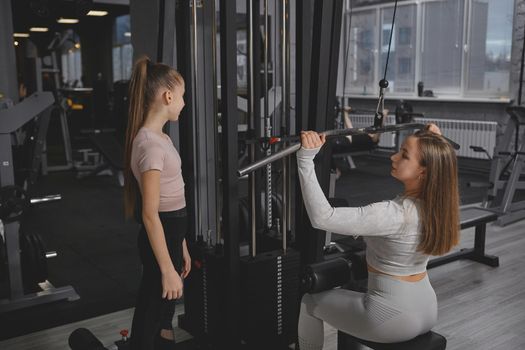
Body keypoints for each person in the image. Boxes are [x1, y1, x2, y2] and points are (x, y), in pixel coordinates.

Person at [296, 124, 459, 349]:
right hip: (427, 308)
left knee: (309, 301)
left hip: (394, 318)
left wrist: (305, 159)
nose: (393, 157)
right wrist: (434, 141)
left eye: (404, 155)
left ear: (423, 171)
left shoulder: (392, 214)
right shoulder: (440, 207)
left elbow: (322, 217)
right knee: (351, 299)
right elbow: (442, 164)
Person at [123, 56, 191, 350]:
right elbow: (150, 214)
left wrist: (182, 247)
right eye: (182, 96)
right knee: (152, 309)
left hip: (172, 233)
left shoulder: (160, 138)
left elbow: (172, 203)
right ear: (168, 96)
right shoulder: (150, 145)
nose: (184, 103)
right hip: (160, 234)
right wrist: (166, 268)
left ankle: (163, 343)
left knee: (164, 310)